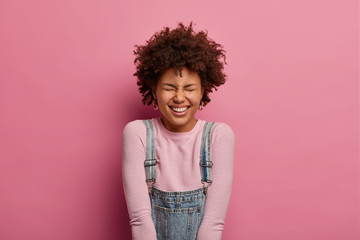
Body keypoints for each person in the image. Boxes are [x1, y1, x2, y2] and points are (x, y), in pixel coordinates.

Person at [122, 22, 235, 240]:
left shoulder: (219, 136)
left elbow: (213, 224)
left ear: (203, 91)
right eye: (169, 88)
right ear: (154, 90)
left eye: (190, 88)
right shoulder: (137, 133)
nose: (180, 97)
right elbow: (140, 220)